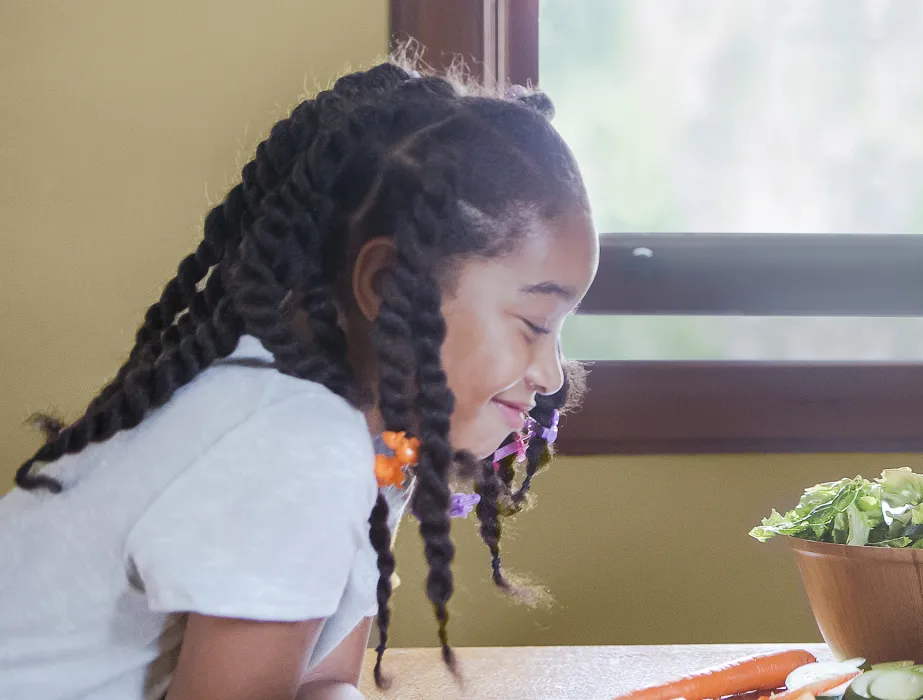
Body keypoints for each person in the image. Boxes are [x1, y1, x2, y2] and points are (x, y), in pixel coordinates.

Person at [0, 59, 597, 700]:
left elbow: (320, 680)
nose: (550, 374)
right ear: (392, 288)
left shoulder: (373, 439)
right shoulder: (298, 443)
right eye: (534, 322)